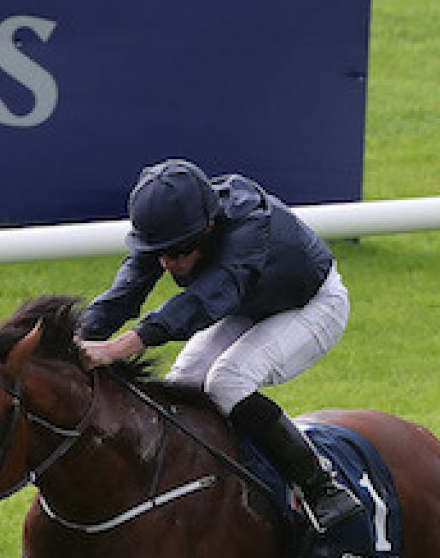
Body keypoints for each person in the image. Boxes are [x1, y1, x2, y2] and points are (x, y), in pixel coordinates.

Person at [77, 158, 361, 533]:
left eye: (178, 253)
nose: (169, 264)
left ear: (209, 228)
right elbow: (123, 296)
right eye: (159, 254)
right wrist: (75, 339)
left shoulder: (249, 229)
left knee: (228, 381)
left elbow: (203, 300)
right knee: (184, 382)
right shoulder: (173, 229)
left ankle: (322, 486)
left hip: (313, 303)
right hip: (252, 302)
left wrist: (119, 348)